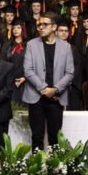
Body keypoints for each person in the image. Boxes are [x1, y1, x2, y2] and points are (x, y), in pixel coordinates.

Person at [23, 15, 75, 149]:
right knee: (37, 136)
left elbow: (70, 73)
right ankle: (38, 167)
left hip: (56, 98)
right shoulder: (31, 44)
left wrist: (55, 89)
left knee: (55, 137)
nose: (40, 27)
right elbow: (28, 70)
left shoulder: (66, 47)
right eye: (39, 24)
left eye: (45, 24)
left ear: (54, 27)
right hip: (36, 97)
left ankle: (55, 168)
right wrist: (44, 88)